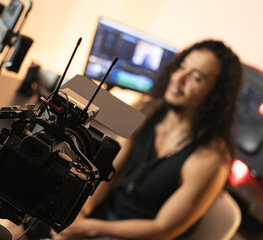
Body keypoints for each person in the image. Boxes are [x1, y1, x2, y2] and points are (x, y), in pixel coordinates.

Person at [45, 39, 243, 240]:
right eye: (182, 67)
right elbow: (105, 174)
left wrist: (87, 228)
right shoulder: (149, 113)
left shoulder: (210, 159)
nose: (179, 78)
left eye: (197, 78)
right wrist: (79, 213)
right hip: (102, 220)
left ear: (215, 97)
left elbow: (163, 229)